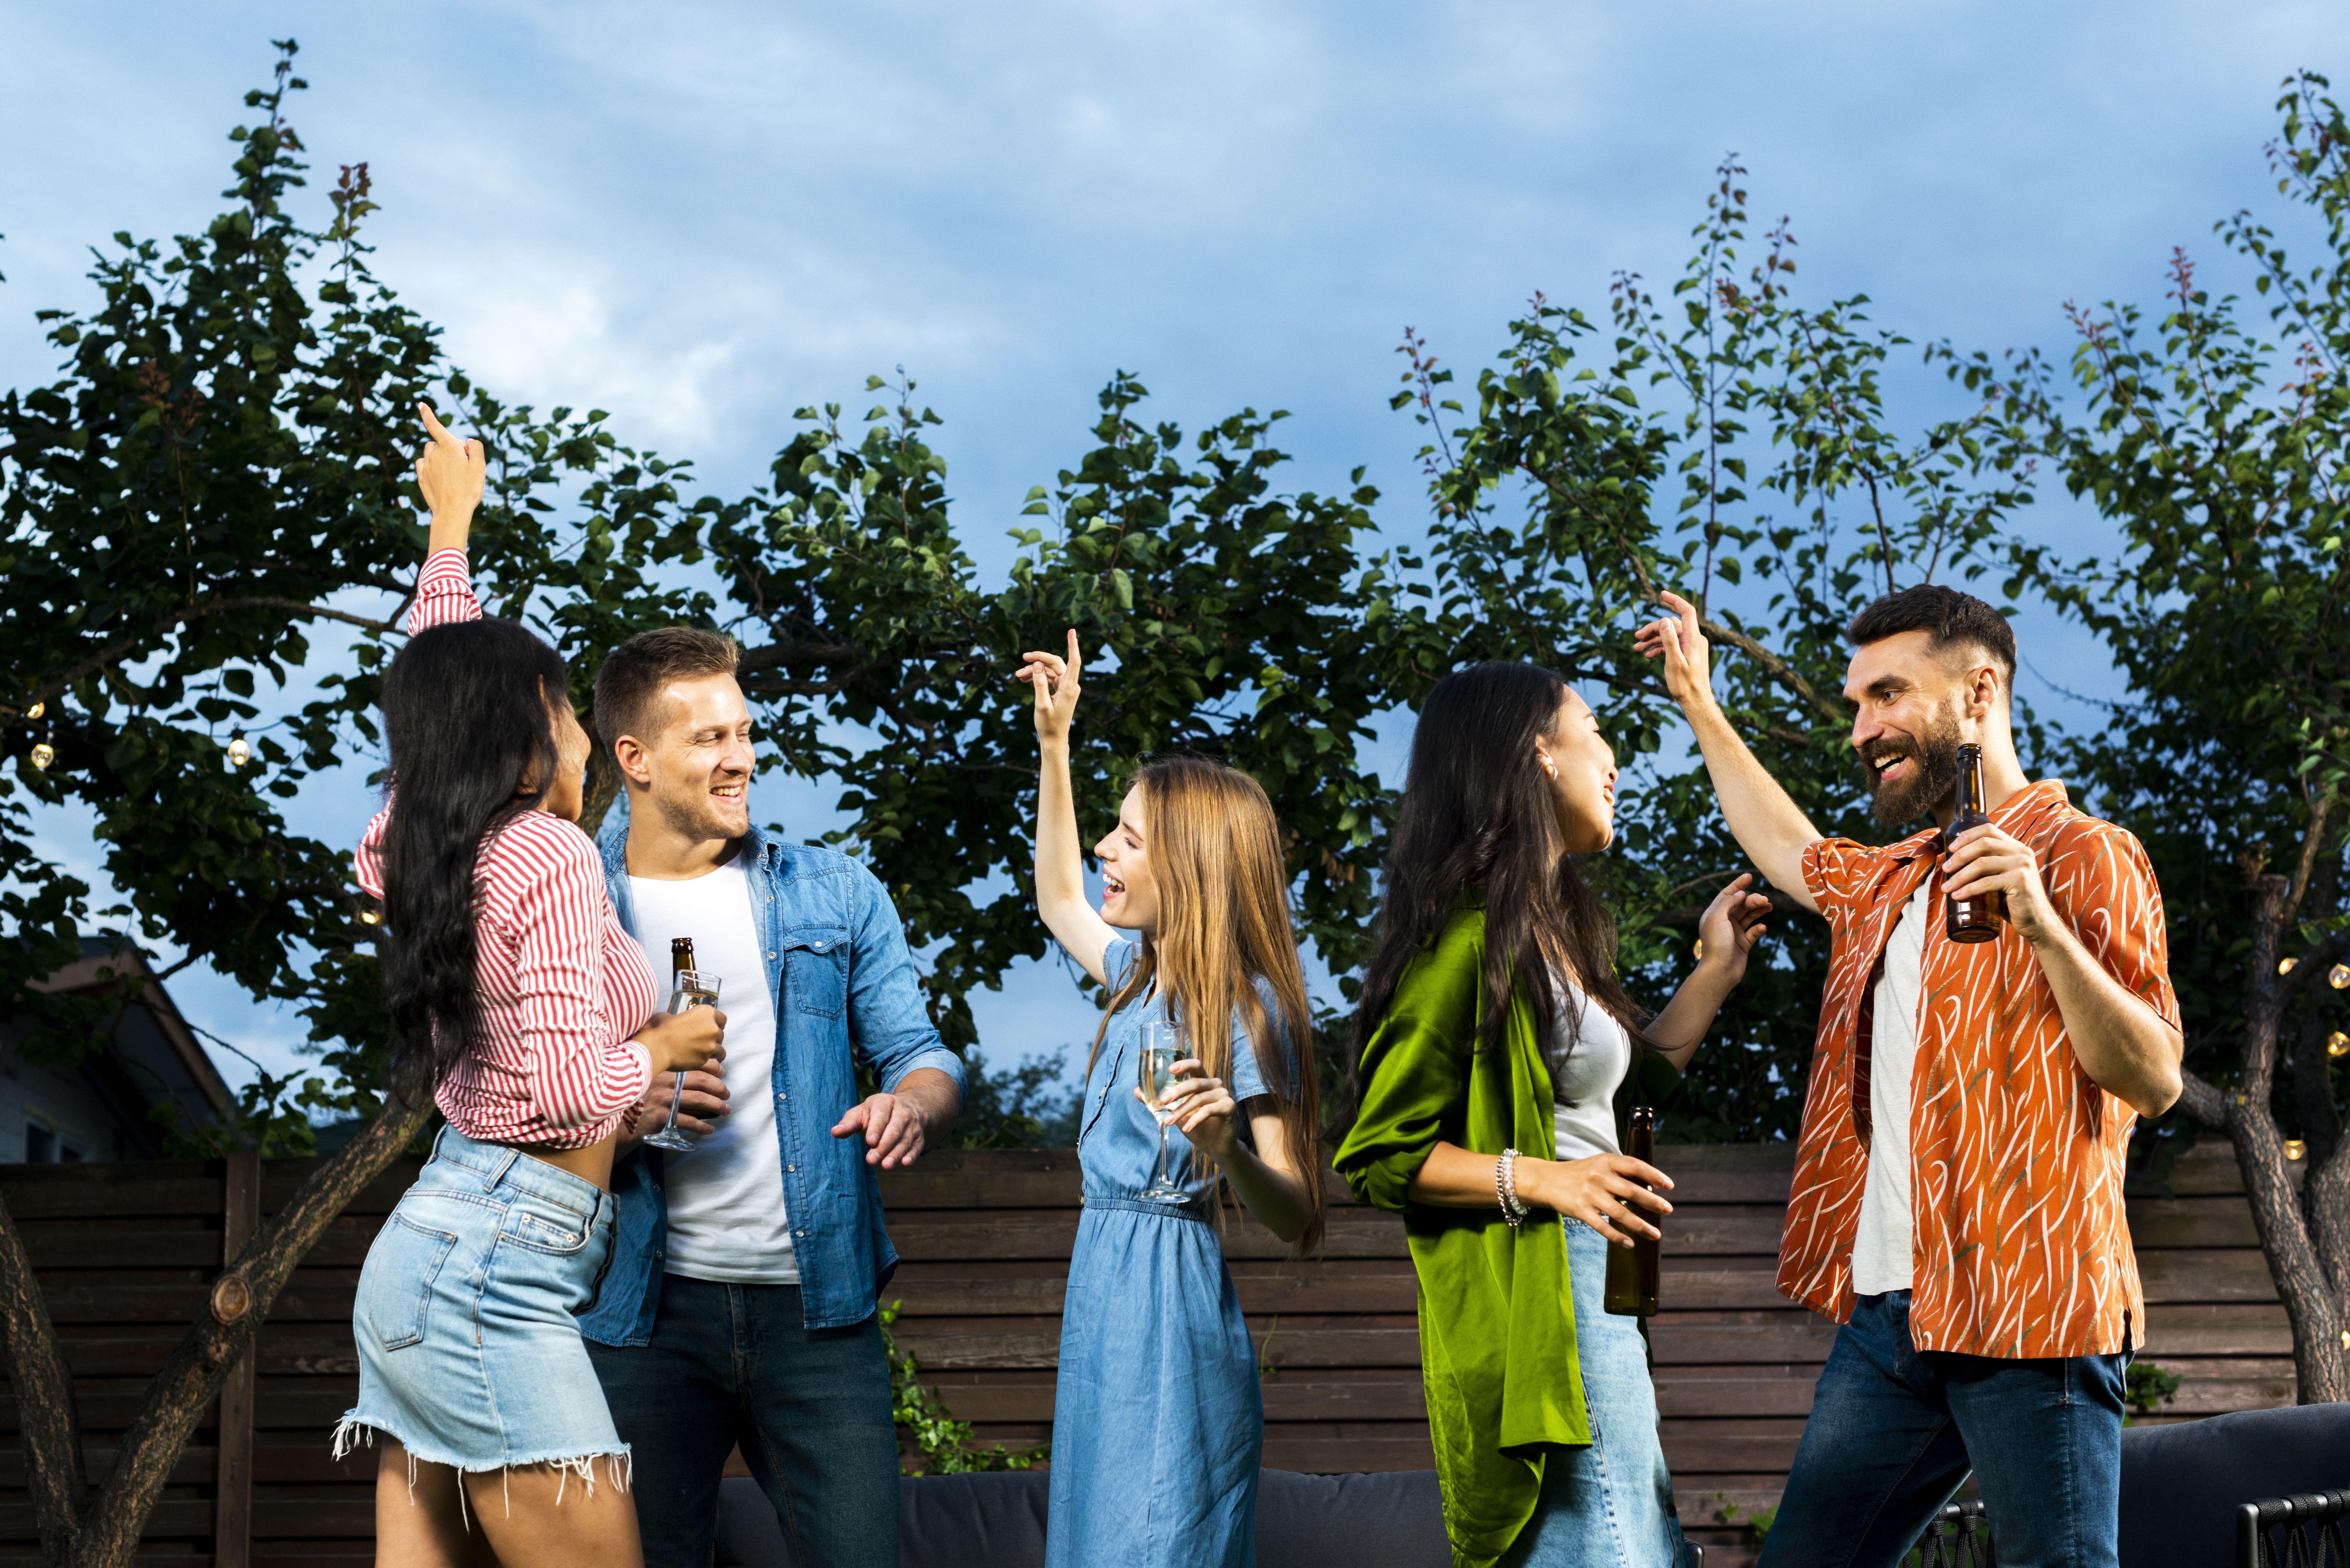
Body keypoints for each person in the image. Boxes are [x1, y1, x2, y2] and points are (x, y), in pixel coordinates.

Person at [1634, 584, 2184, 1568]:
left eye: (1887, 696)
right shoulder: (1896, 880)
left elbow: (2153, 1078)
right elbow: (1796, 852)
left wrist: (2042, 923)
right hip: (1892, 1318)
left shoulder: (2087, 855)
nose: (1863, 728)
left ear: (1981, 692)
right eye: (1854, 705)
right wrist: (1699, 702)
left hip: (2032, 1310)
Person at [340, 406, 725, 1568]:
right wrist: (654, 1055)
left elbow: (444, 691)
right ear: (524, 743)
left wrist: (449, 526)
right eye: (566, 712)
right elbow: (563, 1092)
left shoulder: (411, 842)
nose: (582, 733)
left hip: (431, 1259)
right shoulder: (552, 855)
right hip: (495, 1273)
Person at [1332, 661, 1772, 1568]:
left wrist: (1715, 972)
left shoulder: (1550, 937)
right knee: (1615, 1549)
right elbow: (1377, 1154)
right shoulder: (1463, 944)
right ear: (1537, 750)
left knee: (1635, 1543)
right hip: (1547, 1288)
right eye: (1595, 729)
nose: (1613, 758)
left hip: (1602, 1283)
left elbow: (1624, 1093)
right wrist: (1545, 1181)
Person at [576, 623, 966, 1568]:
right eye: (710, 739)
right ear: (634, 757)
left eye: (744, 733)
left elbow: (926, 1055)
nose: (740, 759)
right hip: (644, 1312)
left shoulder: (833, 891)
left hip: (817, 1310)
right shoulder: (576, 904)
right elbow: (526, 1105)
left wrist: (909, 1104)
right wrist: (633, 1109)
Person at [1014, 632, 1326, 1568]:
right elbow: (1059, 897)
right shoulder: (1135, 979)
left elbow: (1298, 1215)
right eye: (1112, 829)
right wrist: (1055, 748)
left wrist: (1229, 1146)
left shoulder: (1245, 1007)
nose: (1108, 849)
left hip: (1168, 1311)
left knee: (1157, 1541)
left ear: (1189, 866)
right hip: (1102, 1299)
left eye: (1131, 839)